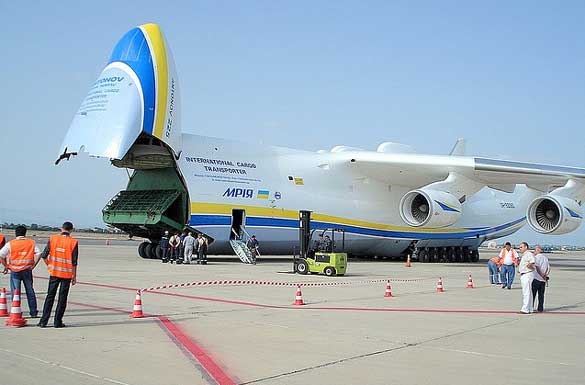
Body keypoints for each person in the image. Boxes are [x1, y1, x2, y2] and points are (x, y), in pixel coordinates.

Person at [38, 221, 79, 328]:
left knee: (50, 296)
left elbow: (44, 255)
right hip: (66, 274)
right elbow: (74, 262)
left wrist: (50, 265)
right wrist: (74, 276)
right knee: (62, 298)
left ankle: (43, 321)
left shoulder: (53, 239)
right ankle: (57, 322)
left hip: (54, 272)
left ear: (61, 229)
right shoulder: (73, 242)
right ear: (71, 230)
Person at [0, 225, 41, 317]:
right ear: (25, 233)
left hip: (15, 271)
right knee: (30, 291)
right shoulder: (31, 242)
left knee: (15, 292)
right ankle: (33, 312)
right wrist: (34, 264)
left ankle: (16, 310)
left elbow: (1, 255)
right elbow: (39, 253)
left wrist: (6, 266)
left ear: (16, 233)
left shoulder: (11, 243)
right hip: (27, 270)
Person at [518, 242, 536, 314]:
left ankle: (525, 309)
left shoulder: (528, 254)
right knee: (529, 292)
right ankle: (530, 308)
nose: (520, 249)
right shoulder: (525, 255)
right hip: (525, 273)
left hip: (527, 274)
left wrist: (530, 268)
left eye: (521, 247)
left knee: (526, 292)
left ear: (526, 247)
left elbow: (532, 262)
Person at [531, 245, 550, 312]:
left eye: (535, 250)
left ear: (538, 250)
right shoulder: (545, 258)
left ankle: (531, 307)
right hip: (543, 280)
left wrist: (542, 275)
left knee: (533, 294)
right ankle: (540, 308)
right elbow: (548, 268)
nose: (534, 251)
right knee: (541, 295)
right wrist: (545, 275)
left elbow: (537, 267)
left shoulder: (536, 258)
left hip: (536, 278)